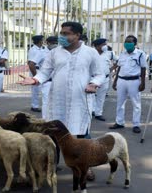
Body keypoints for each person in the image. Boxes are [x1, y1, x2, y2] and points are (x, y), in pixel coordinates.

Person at [18, 21, 104, 181]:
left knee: (81, 136)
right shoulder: (54, 53)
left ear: (77, 35)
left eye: (66, 33)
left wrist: (94, 84)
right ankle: (52, 165)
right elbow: (44, 72)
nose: (62, 36)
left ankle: (86, 167)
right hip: (57, 101)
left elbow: (100, 74)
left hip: (80, 101)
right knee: (54, 134)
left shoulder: (90, 53)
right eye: (61, 33)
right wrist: (35, 80)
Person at [110, 35, 147, 133]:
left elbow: (143, 69)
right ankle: (119, 122)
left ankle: (136, 124)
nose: (127, 43)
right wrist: (115, 81)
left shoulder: (140, 54)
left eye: (129, 42)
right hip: (122, 81)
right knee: (120, 102)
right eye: (126, 42)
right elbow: (119, 68)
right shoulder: (122, 54)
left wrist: (143, 83)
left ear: (135, 44)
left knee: (136, 103)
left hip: (134, 81)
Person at [91, 38, 112, 121]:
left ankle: (98, 113)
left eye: (105, 44)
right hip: (93, 78)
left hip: (105, 78)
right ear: (97, 46)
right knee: (91, 96)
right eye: (103, 44)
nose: (105, 46)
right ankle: (91, 110)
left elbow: (118, 61)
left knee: (101, 97)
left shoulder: (109, 54)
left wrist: (111, 69)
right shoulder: (91, 53)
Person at [27, 35, 45, 112]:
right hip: (35, 70)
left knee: (40, 89)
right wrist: (35, 76)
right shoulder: (33, 50)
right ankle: (34, 106)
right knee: (35, 90)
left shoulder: (41, 49)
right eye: (42, 40)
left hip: (40, 70)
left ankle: (36, 105)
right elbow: (30, 63)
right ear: (39, 41)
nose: (43, 41)